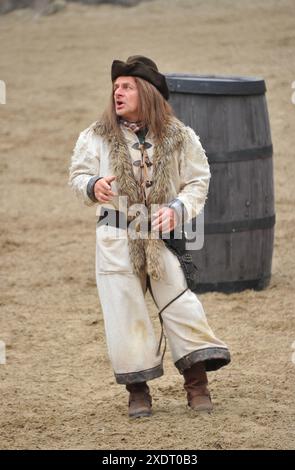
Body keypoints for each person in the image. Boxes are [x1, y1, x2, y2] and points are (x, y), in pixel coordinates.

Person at [69, 55, 230, 418]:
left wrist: (176, 208)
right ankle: (137, 391)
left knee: (181, 303)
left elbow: (197, 181)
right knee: (124, 311)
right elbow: (77, 177)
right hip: (115, 236)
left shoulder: (178, 135)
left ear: (147, 92)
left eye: (126, 86)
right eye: (115, 88)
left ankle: (197, 384)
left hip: (162, 237)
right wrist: (94, 185)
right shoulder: (96, 136)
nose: (118, 93)